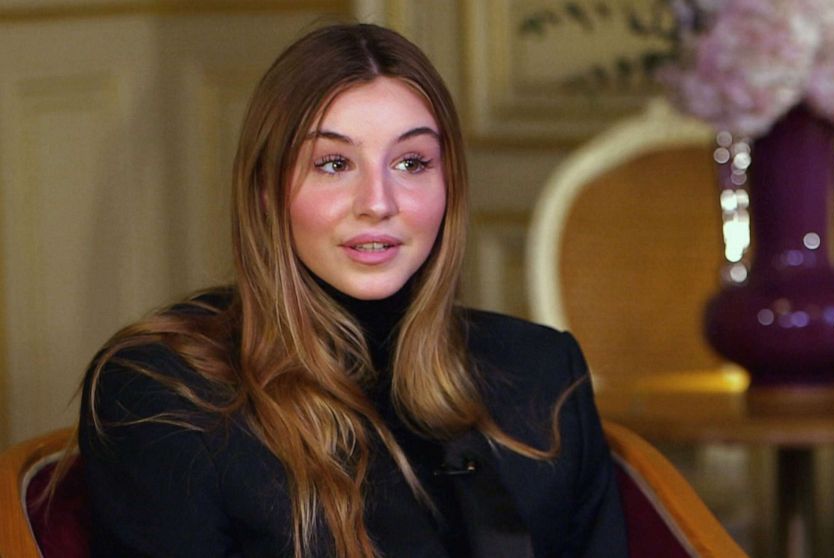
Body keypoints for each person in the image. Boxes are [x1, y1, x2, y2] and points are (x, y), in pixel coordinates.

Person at [74, 22, 627, 558]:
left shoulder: (544, 373)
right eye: (334, 163)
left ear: (448, 184)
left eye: (412, 162)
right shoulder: (161, 396)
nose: (378, 202)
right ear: (266, 191)